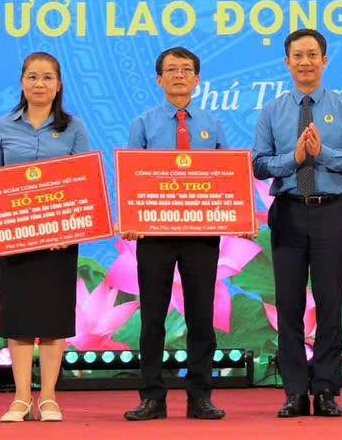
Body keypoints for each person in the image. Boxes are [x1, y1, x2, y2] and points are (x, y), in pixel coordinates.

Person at [254, 29, 342, 418]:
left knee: (330, 302)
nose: (306, 62)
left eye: (313, 55)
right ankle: (294, 391)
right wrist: (295, 158)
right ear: (287, 62)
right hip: (288, 211)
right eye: (298, 55)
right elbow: (259, 165)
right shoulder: (272, 111)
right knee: (289, 304)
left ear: (325, 60)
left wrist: (323, 153)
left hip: (331, 212)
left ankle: (326, 389)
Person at [0, 51, 91, 423]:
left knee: (54, 319)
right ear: (21, 82)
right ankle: (21, 398)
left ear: (58, 85)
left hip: (60, 240)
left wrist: (69, 227)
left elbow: (83, 183)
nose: (39, 84)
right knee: (19, 318)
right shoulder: (3, 127)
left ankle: (49, 398)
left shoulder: (74, 128)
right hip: (15, 238)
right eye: (32, 77)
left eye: (47, 77)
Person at [122, 47, 227, 421]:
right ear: (159, 80)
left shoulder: (212, 125)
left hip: (201, 235)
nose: (179, 75)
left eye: (186, 70)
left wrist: (237, 217)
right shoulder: (144, 124)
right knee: (153, 318)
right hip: (154, 235)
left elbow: (225, 178)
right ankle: (152, 396)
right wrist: (131, 217)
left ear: (197, 79)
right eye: (171, 70)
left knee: (201, 317)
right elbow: (132, 177)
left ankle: (200, 396)